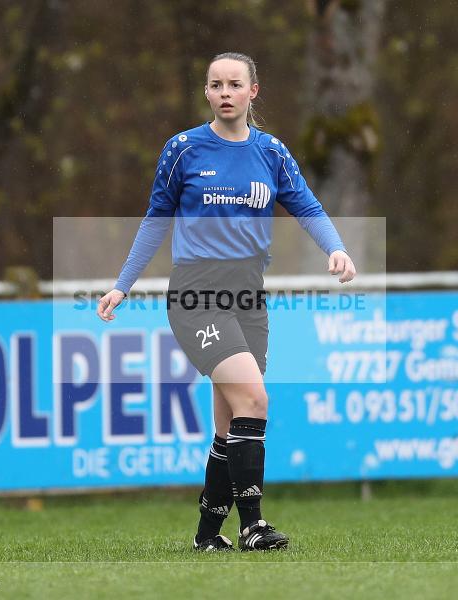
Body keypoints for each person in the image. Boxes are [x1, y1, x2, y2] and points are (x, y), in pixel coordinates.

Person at [97, 52, 356, 551]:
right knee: (255, 399)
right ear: (207, 92)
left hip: (248, 295)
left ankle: (206, 535)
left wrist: (337, 248)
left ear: (252, 91)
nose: (224, 93)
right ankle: (253, 526)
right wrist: (122, 284)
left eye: (234, 84)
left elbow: (307, 204)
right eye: (216, 84)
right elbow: (156, 220)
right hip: (197, 293)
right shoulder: (183, 150)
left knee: (232, 421)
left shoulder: (272, 153)